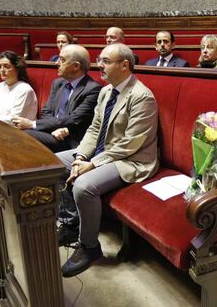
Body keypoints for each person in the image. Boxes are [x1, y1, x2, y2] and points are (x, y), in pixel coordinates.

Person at [56, 43, 159, 277]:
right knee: (53, 163)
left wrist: (91, 164)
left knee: (84, 186)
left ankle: (90, 247)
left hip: (132, 159)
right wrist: (81, 156)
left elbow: (131, 144)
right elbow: (94, 130)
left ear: (124, 65)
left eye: (105, 61)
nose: (99, 65)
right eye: (99, 60)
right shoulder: (106, 91)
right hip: (105, 152)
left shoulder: (142, 96)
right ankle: (72, 224)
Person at [12, 45, 101, 152]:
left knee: (25, 134)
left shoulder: (93, 89)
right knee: (16, 133)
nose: (56, 63)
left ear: (76, 66)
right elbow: (47, 111)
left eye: (62, 60)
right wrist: (53, 129)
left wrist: (32, 124)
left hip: (69, 138)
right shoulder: (58, 83)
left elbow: (74, 120)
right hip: (52, 132)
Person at [0, 51, 37, 125]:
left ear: (17, 68)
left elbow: (14, 120)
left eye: (6, 66)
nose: (2, 70)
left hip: (17, 132)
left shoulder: (24, 89)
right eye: (0, 66)